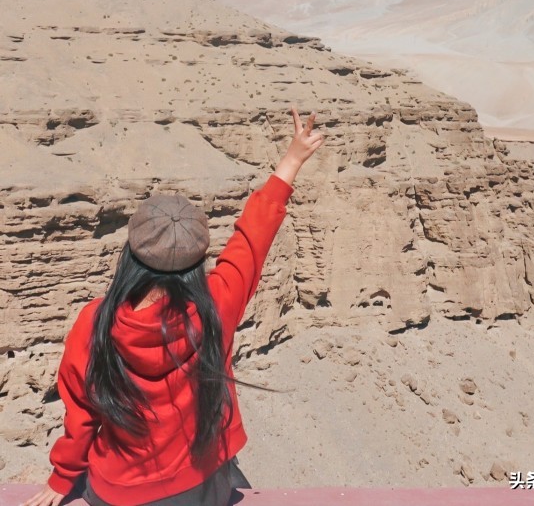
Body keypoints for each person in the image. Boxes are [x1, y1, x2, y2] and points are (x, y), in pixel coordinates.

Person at [22, 105, 324, 506]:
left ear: (129, 255)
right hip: (200, 488)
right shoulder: (216, 304)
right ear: (197, 262)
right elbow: (251, 240)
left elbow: (81, 414)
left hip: (118, 492)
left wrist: (63, 479)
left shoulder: (94, 322)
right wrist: (292, 160)